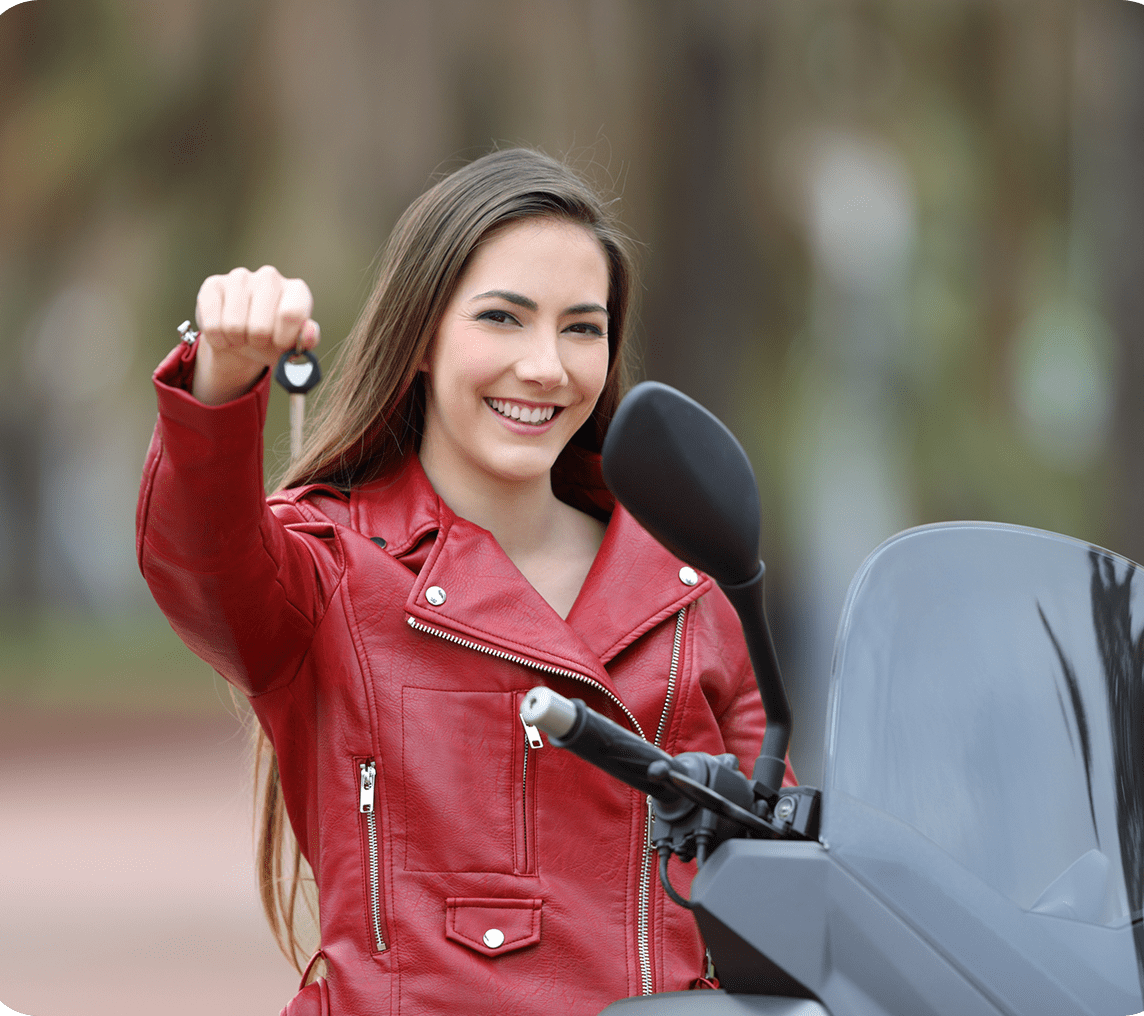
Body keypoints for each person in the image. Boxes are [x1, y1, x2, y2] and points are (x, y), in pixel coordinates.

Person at [136, 147, 797, 1016]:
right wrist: (222, 377)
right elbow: (203, 564)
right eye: (503, 318)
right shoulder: (329, 565)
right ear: (419, 339)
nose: (546, 367)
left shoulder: (690, 590)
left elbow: (786, 877)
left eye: (582, 327)